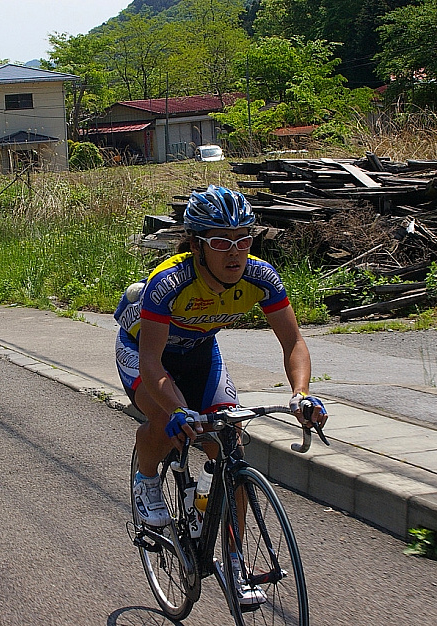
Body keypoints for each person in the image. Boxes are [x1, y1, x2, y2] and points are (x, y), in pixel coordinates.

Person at [114, 184, 328, 604]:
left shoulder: (260, 276)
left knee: (230, 444)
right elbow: (153, 365)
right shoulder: (169, 281)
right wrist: (177, 408)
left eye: (244, 239)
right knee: (165, 420)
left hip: (199, 350)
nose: (235, 252)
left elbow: (294, 343)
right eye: (221, 241)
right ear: (196, 244)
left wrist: (301, 394)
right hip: (143, 351)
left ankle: (234, 563)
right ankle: (146, 479)